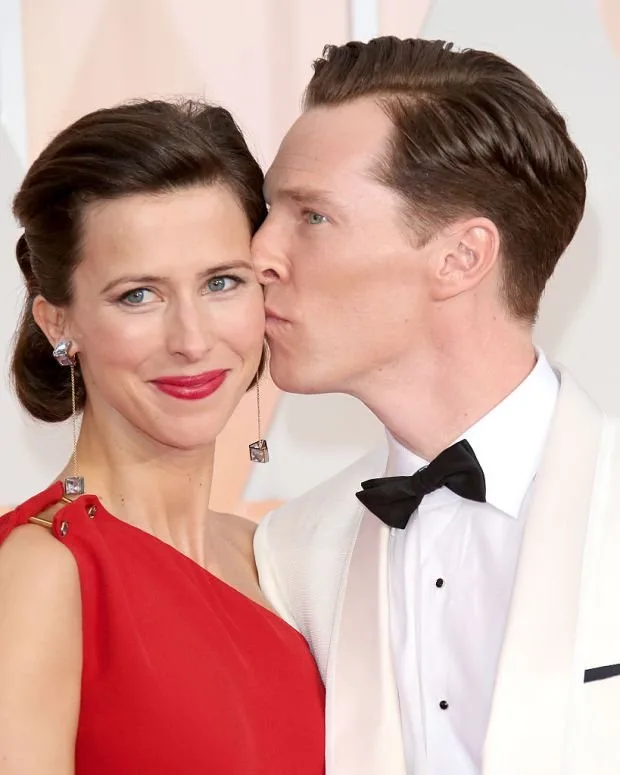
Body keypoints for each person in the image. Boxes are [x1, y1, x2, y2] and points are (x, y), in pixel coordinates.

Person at [252, 36, 620, 775]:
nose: (260, 253)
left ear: (461, 257)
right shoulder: (291, 552)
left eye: (312, 216)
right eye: (268, 212)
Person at [0, 99, 325, 774]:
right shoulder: (39, 573)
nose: (192, 339)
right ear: (59, 321)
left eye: (222, 282)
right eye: (138, 295)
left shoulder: (275, 560)